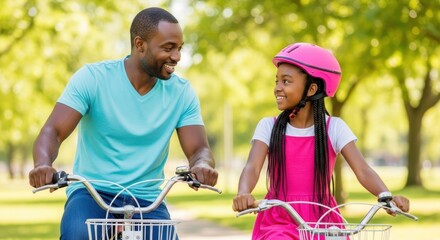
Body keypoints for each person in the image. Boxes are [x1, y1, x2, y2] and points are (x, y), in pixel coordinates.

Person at [28, 7, 218, 240]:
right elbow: (53, 131)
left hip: (147, 199)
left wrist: (202, 165)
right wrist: (43, 164)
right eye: (168, 48)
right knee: (76, 234)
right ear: (140, 45)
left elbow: (199, 149)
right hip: (91, 194)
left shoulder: (182, 93)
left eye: (179, 48)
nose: (177, 56)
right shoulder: (93, 79)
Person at [232, 42, 410, 239]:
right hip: (280, 219)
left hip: (323, 217)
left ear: (311, 89)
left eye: (286, 81)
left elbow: (363, 170)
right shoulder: (269, 127)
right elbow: (252, 167)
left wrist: (386, 196)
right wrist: (243, 192)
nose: (277, 88)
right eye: (277, 81)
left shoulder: (333, 128)